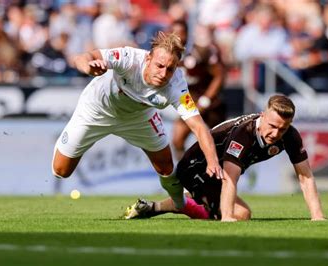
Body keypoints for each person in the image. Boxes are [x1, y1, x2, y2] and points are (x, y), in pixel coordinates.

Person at [52, 32, 222, 212]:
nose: (164, 73)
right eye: (160, 65)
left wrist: (212, 162)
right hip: (97, 109)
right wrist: (88, 67)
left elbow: (199, 127)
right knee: (61, 171)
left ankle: (181, 205)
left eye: (170, 69)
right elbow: (83, 57)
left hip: (138, 118)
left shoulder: (177, 84)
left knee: (166, 166)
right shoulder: (128, 58)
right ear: (148, 59)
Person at [124, 95, 325, 222]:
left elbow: (305, 176)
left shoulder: (290, 135)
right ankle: (190, 205)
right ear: (262, 116)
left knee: (223, 206)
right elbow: (230, 177)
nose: (276, 133)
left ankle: (151, 207)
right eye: (272, 126)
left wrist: (317, 217)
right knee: (241, 215)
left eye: (282, 128)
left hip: (216, 173)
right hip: (195, 168)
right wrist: (227, 217)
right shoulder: (244, 134)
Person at [169, 21, 227, 159]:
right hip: (189, 101)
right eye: (174, 33)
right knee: (177, 139)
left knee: (223, 142)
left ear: (187, 34)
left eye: (181, 33)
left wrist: (206, 100)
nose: (177, 37)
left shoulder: (201, 51)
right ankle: (184, 174)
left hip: (211, 103)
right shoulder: (167, 54)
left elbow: (219, 75)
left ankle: (237, 171)